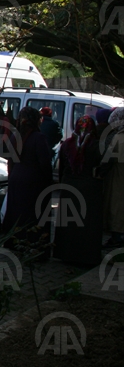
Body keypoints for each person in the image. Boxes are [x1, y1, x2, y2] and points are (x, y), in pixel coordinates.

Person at [54, 115, 104, 264]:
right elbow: (105, 165)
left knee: (69, 223)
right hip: (89, 189)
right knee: (86, 224)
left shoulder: (67, 144)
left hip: (69, 186)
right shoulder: (97, 145)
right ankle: (85, 256)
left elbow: (62, 167)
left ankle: (66, 253)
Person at [3, 107, 53, 248]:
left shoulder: (15, 137)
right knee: (32, 215)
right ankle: (32, 246)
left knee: (17, 213)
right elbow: (45, 163)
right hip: (33, 182)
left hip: (16, 178)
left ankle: (15, 243)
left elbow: (10, 161)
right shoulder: (38, 138)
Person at [101, 108, 124, 247]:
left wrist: (100, 172)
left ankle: (117, 238)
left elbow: (107, 160)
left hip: (118, 178)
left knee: (116, 208)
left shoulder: (118, 138)